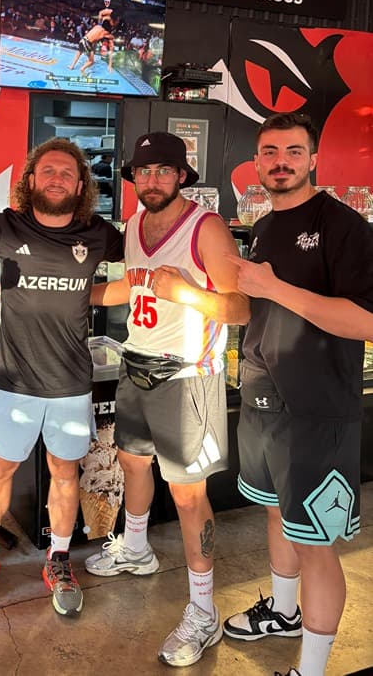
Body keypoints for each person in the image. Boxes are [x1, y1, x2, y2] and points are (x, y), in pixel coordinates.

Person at [85, 131, 250, 667]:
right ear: (133, 177)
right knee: (132, 462)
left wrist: (187, 293)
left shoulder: (207, 228)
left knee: (187, 496)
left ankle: (204, 612)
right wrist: (67, 295)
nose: (151, 180)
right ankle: (136, 550)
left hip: (187, 377)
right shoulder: (134, 225)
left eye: (163, 170)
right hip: (136, 364)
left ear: (182, 175)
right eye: (143, 171)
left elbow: (239, 307)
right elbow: (130, 287)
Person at [222, 112, 373, 676]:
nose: (280, 162)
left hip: (317, 411)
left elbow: (366, 321)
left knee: (316, 543)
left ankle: (310, 670)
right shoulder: (264, 225)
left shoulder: (343, 226)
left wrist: (273, 286)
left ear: (313, 159)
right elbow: (258, 310)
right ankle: (284, 614)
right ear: (257, 162)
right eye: (270, 152)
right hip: (264, 401)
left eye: (292, 151)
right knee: (276, 514)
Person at [0, 138, 124, 616]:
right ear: (30, 180)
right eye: (47, 170)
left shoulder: (98, 234)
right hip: (13, 381)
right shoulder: (3, 227)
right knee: (0, 469)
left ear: (81, 186)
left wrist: (93, 294)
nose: (56, 179)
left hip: (70, 383)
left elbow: (144, 254)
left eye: (67, 173)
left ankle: (59, 559)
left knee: (64, 473)